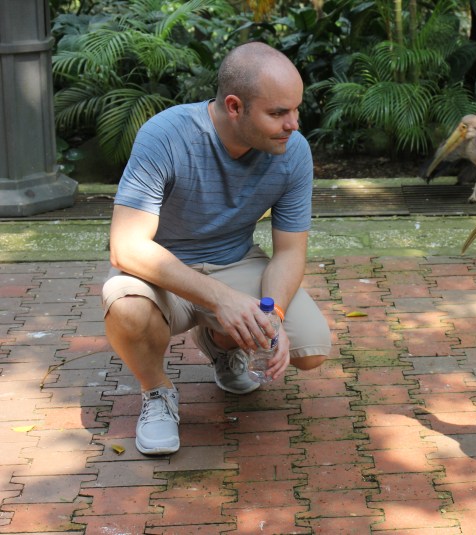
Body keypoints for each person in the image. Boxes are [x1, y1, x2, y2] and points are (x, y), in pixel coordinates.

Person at [101, 42, 331, 456]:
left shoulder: (293, 151)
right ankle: (156, 392)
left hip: (234, 261)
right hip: (163, 270)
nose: (293, 125)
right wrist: (222, 300)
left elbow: (290, 252)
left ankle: (222, 346)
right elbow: (126, 246)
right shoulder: (166, 135)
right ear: (234, 106)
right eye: (278, 113)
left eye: (296, 110)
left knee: (311, 348)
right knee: (126, 309)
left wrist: (271, 313)